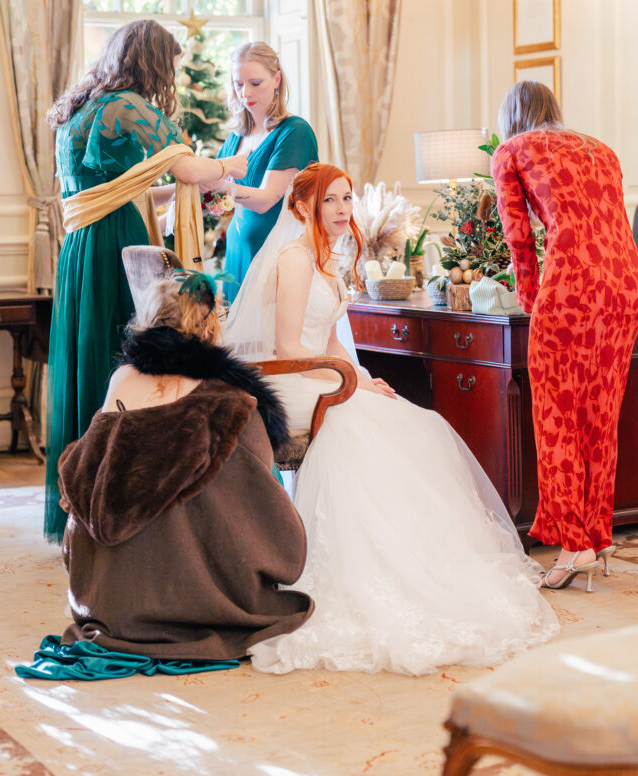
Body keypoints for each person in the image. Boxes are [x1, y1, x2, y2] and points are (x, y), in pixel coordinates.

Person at [224, 163, 559, 676]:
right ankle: (356, 566)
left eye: (347, 199)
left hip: (321, 373)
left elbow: (330, 339)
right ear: (302, 208)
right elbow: (290, 348)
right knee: (362, 428)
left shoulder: (327, 259)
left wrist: (358, 376)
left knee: (413, 420)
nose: (343, 210)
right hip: (287, 382)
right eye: (331, 201)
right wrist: (344, 383)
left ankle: (420, 564)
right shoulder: (293, 259)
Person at [29, 271, 312, 677]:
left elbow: (92, 464)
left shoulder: (121, 378)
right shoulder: (227, 398)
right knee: (234, 473)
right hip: (186, 593)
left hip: (104, 598)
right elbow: (259, 498)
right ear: (210, 322)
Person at [45, 20, 248, 544]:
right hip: (117, 242)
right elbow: (186, 169)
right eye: (169, 65)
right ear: (153, 60)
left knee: (89, 354)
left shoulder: (84, 107)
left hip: (82, 244)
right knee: (123, 349)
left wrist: (180, 192)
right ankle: (113, 486)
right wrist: (233, 162)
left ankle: (79, 492)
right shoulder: (129, 104)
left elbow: (112, 190)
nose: (171, 77)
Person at [491, 81, 638, 590]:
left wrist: (534, 301)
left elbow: (520, 240)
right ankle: (595, 535)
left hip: (574, 283)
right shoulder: (602, 149)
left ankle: (570, 545)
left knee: (557, 416)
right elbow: (613, 222)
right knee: (602, 414)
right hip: (626, 284)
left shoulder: (513, 150)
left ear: (512, 117)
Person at [211, 42, 318, 302]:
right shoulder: (236, 136)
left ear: (277, 79)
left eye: (255, 83)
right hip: (237, 250)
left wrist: (220, 187)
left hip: (274, 253)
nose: (245, 92)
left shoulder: (294, 131)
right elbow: (216, 198)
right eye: (238, 84)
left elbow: (266, 199)